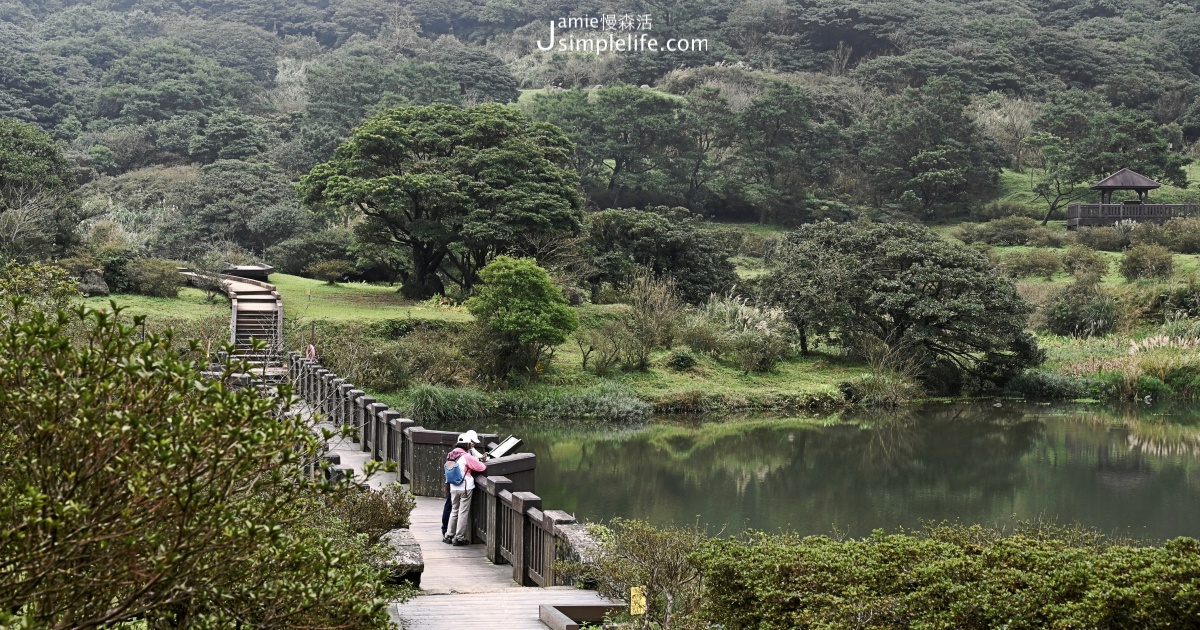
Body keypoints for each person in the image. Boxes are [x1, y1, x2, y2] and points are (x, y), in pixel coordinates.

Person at [444, 433, 487, 546]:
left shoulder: (451, 454)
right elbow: (481, 467)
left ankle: (449, 535)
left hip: (453, 486)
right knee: (463, 512)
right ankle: (459, 538)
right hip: (465, 487)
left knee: (454, 511)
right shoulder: (466, 456)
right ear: (468, 443)